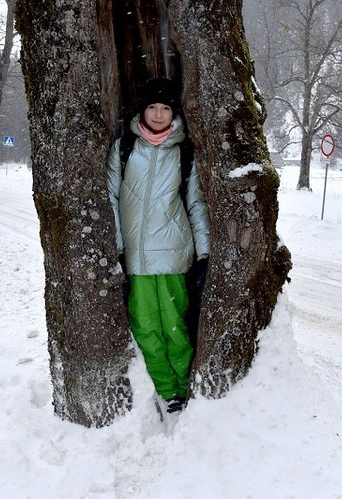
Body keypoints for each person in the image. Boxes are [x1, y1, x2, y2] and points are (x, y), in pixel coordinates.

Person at [107, 78, 211, 414]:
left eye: (165, 108)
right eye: (153, 106)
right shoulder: (124, 149)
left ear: (174, 113)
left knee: (176, 329)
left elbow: (195, 202)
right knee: (145, 328)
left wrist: (204, 251)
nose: (158, 113)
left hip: (173, 256)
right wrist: (118, 249)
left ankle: (183, 388)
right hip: (136, 260)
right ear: (142, 109)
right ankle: (168, 390)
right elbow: (111, 198)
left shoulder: (183, 152)